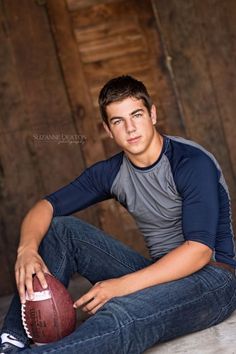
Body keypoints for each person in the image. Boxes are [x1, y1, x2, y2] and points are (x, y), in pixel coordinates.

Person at [1, 75, 236, 354]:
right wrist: (26, 250)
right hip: (159, 276)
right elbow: (45, 206)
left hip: (213, 280)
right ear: (108, 130)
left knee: (122, 311)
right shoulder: (112, 172)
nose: (130, 128)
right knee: (61, 229)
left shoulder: (190, 162)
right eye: (118, 121)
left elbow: (198, 251)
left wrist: (120, 287)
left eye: (136, 115)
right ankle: (11, 341)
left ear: (153, 114)